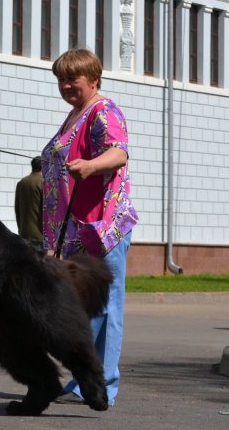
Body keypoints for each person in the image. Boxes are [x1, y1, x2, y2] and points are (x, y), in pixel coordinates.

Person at [41, 48, 139, 406]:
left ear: (94, 80)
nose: (66, 86)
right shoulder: (75, 115)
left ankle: (104, 383)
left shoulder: (104, 110)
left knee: (106, 307)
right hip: (75, 232)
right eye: (61, 80)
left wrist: (92, 165)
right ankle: (86, 379)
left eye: (73, 79)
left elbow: (119, 152)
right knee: (84, 307)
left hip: (102, 227)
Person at [14, 156, 43, 252]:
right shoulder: (44, 183)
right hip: (39, 235)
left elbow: (17, 208)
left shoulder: (21, 183)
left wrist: (20, 228)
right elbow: (47, 210)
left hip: (24, 233)